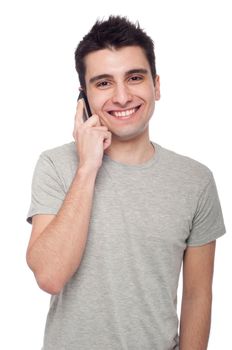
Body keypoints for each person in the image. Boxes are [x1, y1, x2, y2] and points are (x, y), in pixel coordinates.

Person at [26, 15, 226, 350]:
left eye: (134, 78)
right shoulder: (57, 166)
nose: (121, 96)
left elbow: (197, 296)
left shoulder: (196, 180)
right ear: (83, 97)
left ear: (156, 85)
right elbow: (50, 275)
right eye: (103, 83)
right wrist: (88, 167)